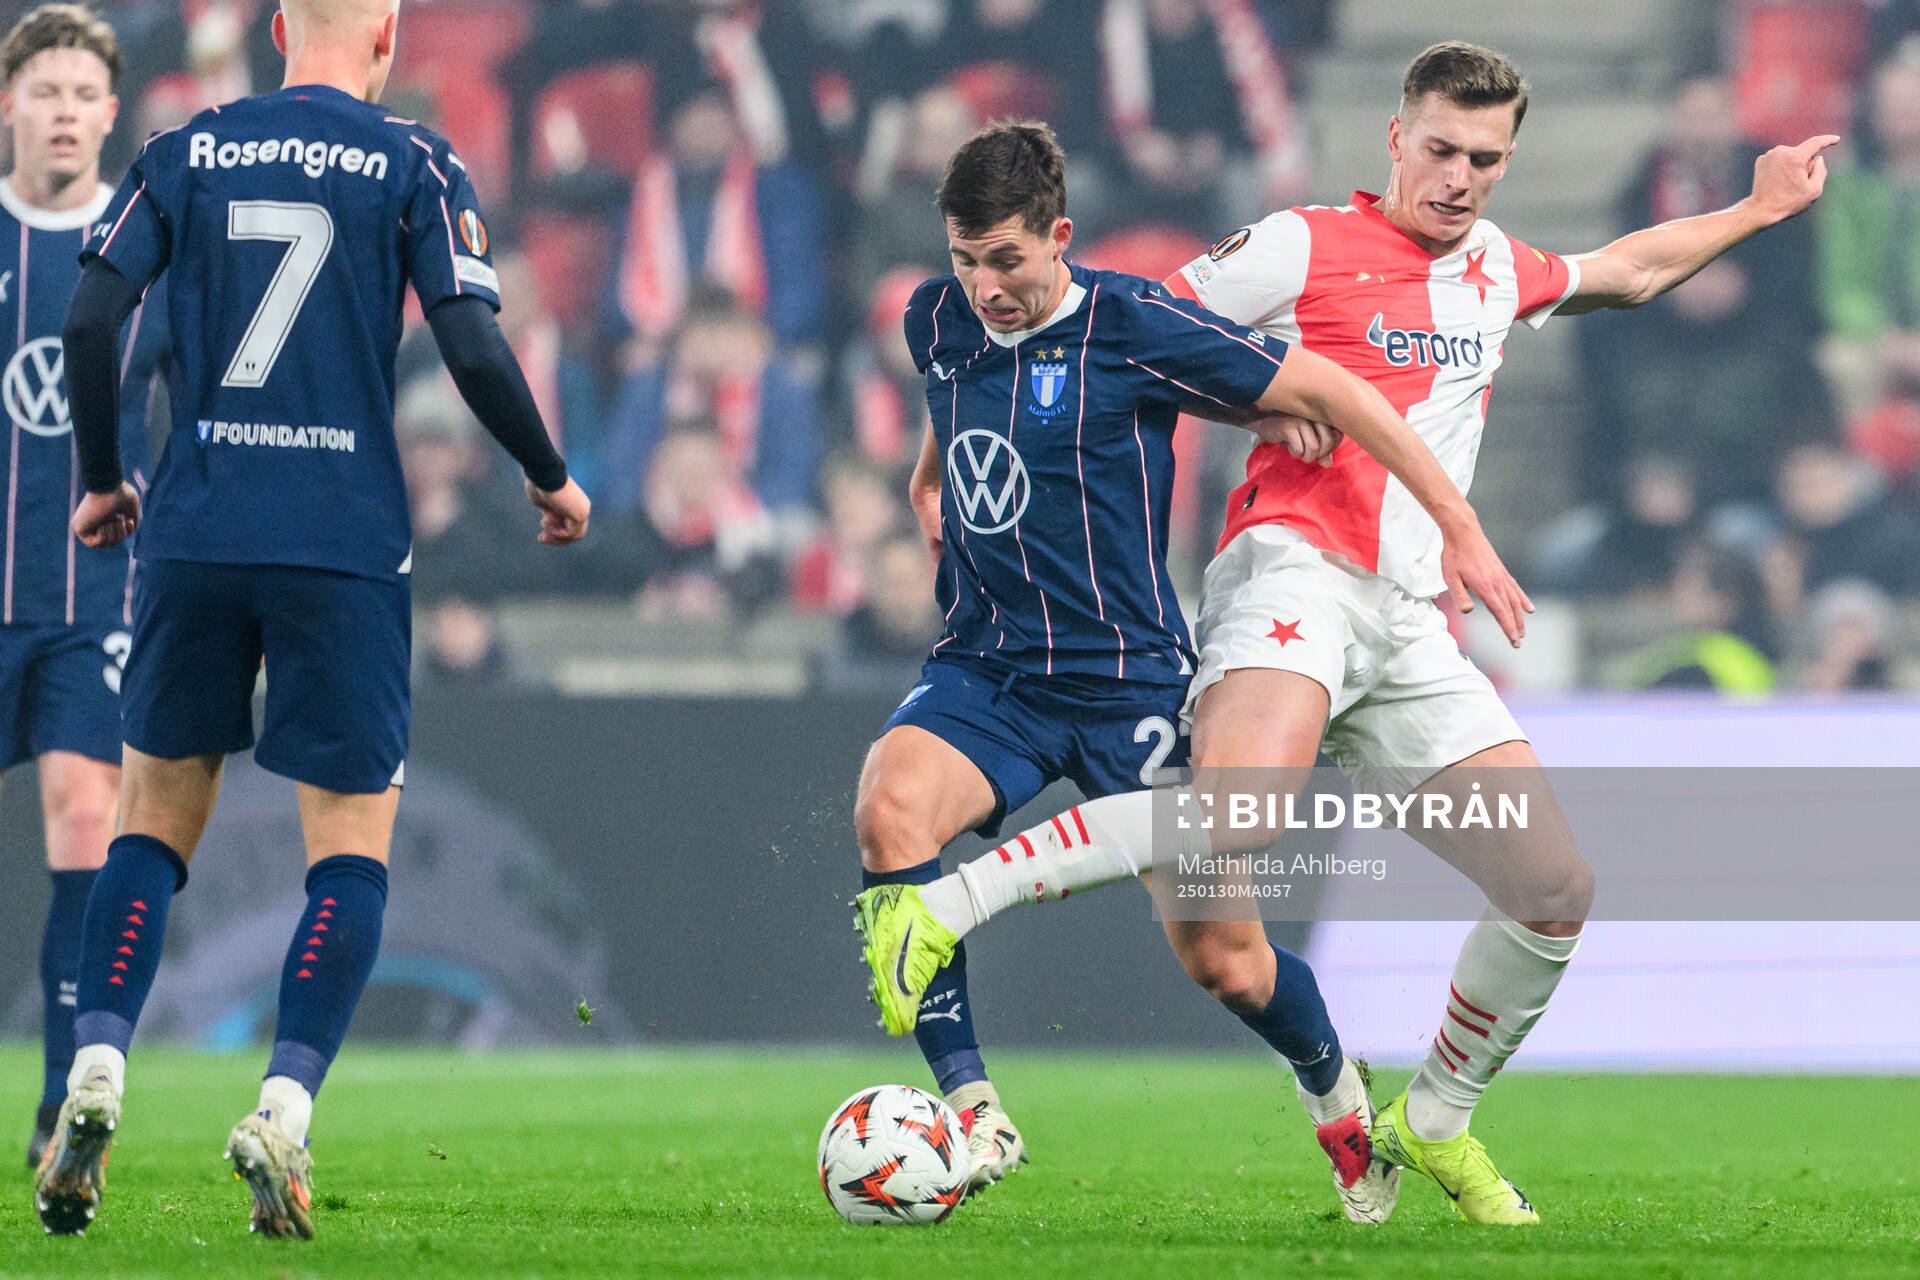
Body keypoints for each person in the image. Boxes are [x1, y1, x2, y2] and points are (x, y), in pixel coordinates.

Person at [862, 42, 1835, 1225]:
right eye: (1440, 149)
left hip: (1412, 627)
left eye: (1485, 158)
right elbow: (1141, 332)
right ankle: (953, 905)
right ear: (1395, 138)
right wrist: (1272, 397)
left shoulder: (1495, 271)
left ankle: (1433, 1115)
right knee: (1237, 821)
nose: (1460, 177)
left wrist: (1757, 205)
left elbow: (1625, 270)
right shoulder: (1300, 242)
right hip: (1294, 576)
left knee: (1553, 887)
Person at [850, 119, 1528, 1196]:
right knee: (890, 805)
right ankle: (975, 1116)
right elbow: (953, 390)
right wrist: (930, 480)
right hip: (991, 669)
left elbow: (1341, 394)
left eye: (1008, 259)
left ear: (1060, 236)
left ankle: (1338, 1096)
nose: (985, 284)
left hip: (1130, 683)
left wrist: (1447, 514)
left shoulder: (1131, 320)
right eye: (966, 258)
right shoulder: (935, 318)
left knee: (1228, 960)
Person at [34, 0, 590, 1240]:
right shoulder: (413, 162)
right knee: (349, 851)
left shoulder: (186, 148)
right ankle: (281, 1112)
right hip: (341, 543)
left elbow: (85, 323)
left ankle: (97, 1073)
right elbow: (473, 347)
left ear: (282, 29)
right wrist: (548, 474)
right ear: (386, 38)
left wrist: (101, 480)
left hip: (194, 531)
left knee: (150, 825)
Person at [0, 3, 161, 1173]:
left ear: (109, 114)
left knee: (84, 813)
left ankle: (63, 1105)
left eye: (80, 94)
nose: (62, 110)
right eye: (43, 89)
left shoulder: (143, 239)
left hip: (91, 600)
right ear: (11, 105)